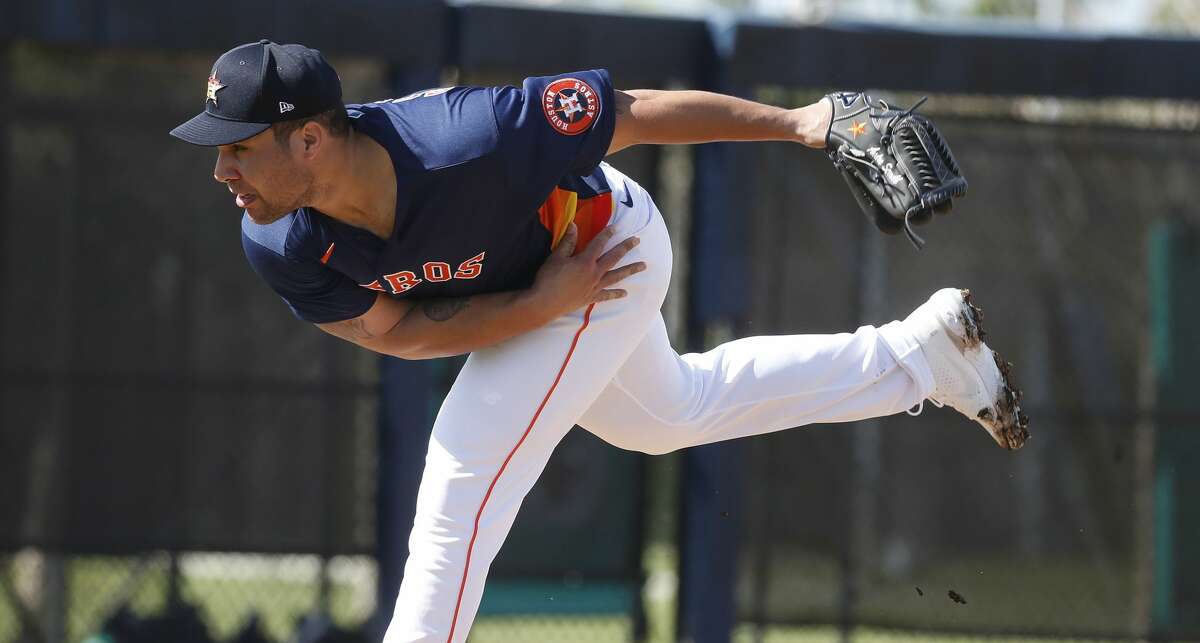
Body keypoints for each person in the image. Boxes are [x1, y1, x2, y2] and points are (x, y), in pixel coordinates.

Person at [171, 40, 1027, 643]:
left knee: (460, 468)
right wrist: (536, 306)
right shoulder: (281, 238)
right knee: (674, 411)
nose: (222, 173)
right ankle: (925, 353)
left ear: (311, 138)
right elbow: (395, 330)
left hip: (601, 246)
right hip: (545, 288)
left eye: (239, 149)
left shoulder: (468, 135)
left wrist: (804, 123)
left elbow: (630, 113)